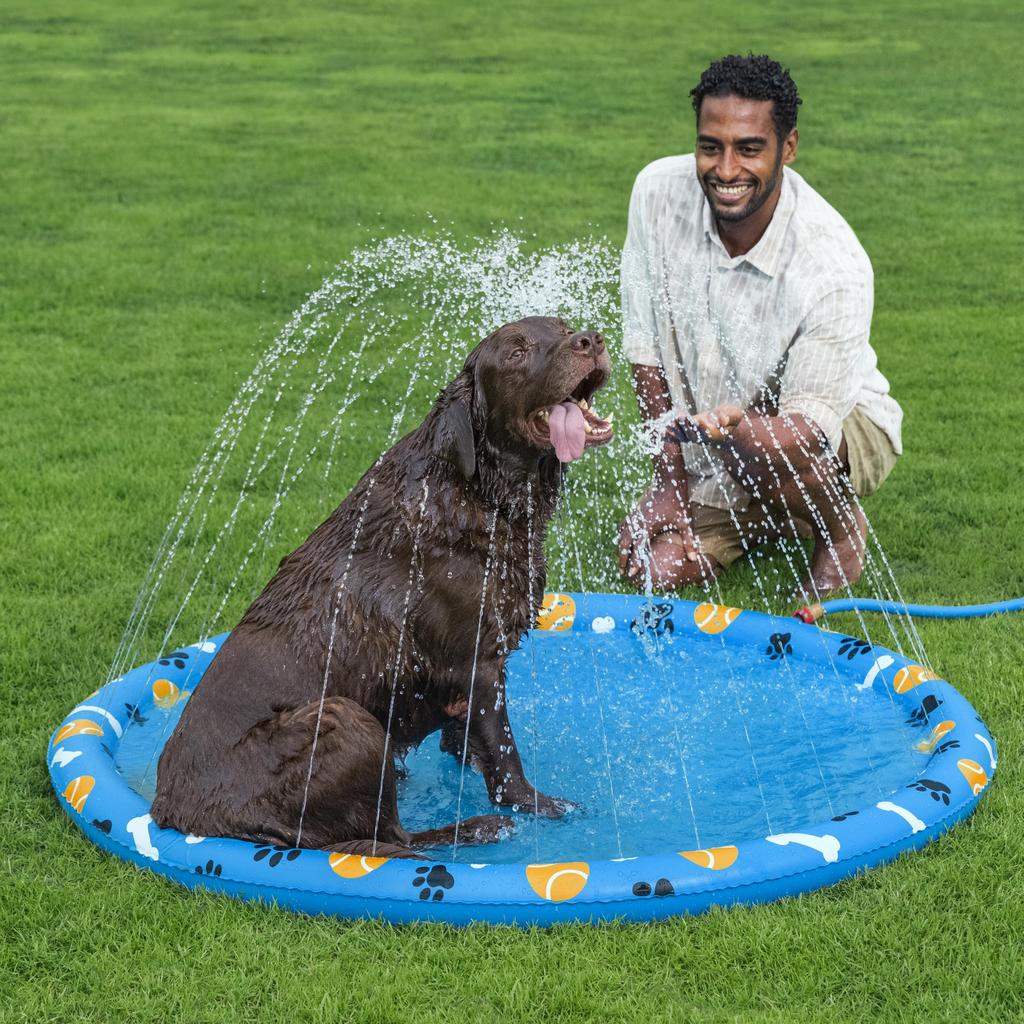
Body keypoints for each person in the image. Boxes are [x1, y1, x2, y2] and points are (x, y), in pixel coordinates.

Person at [617, 54, 903, 598]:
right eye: (711, 147)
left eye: (749, 148)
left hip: (843, 427)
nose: (726, 171)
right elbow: (646, 346)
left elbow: (812, 427)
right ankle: (770, 514)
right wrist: (669, 483)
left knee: (763, 452)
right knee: (655, 568)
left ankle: (841, 531)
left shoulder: (832, 263)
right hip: (719, 434)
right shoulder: (655, 192)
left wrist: (744, 432)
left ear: (787, 148)